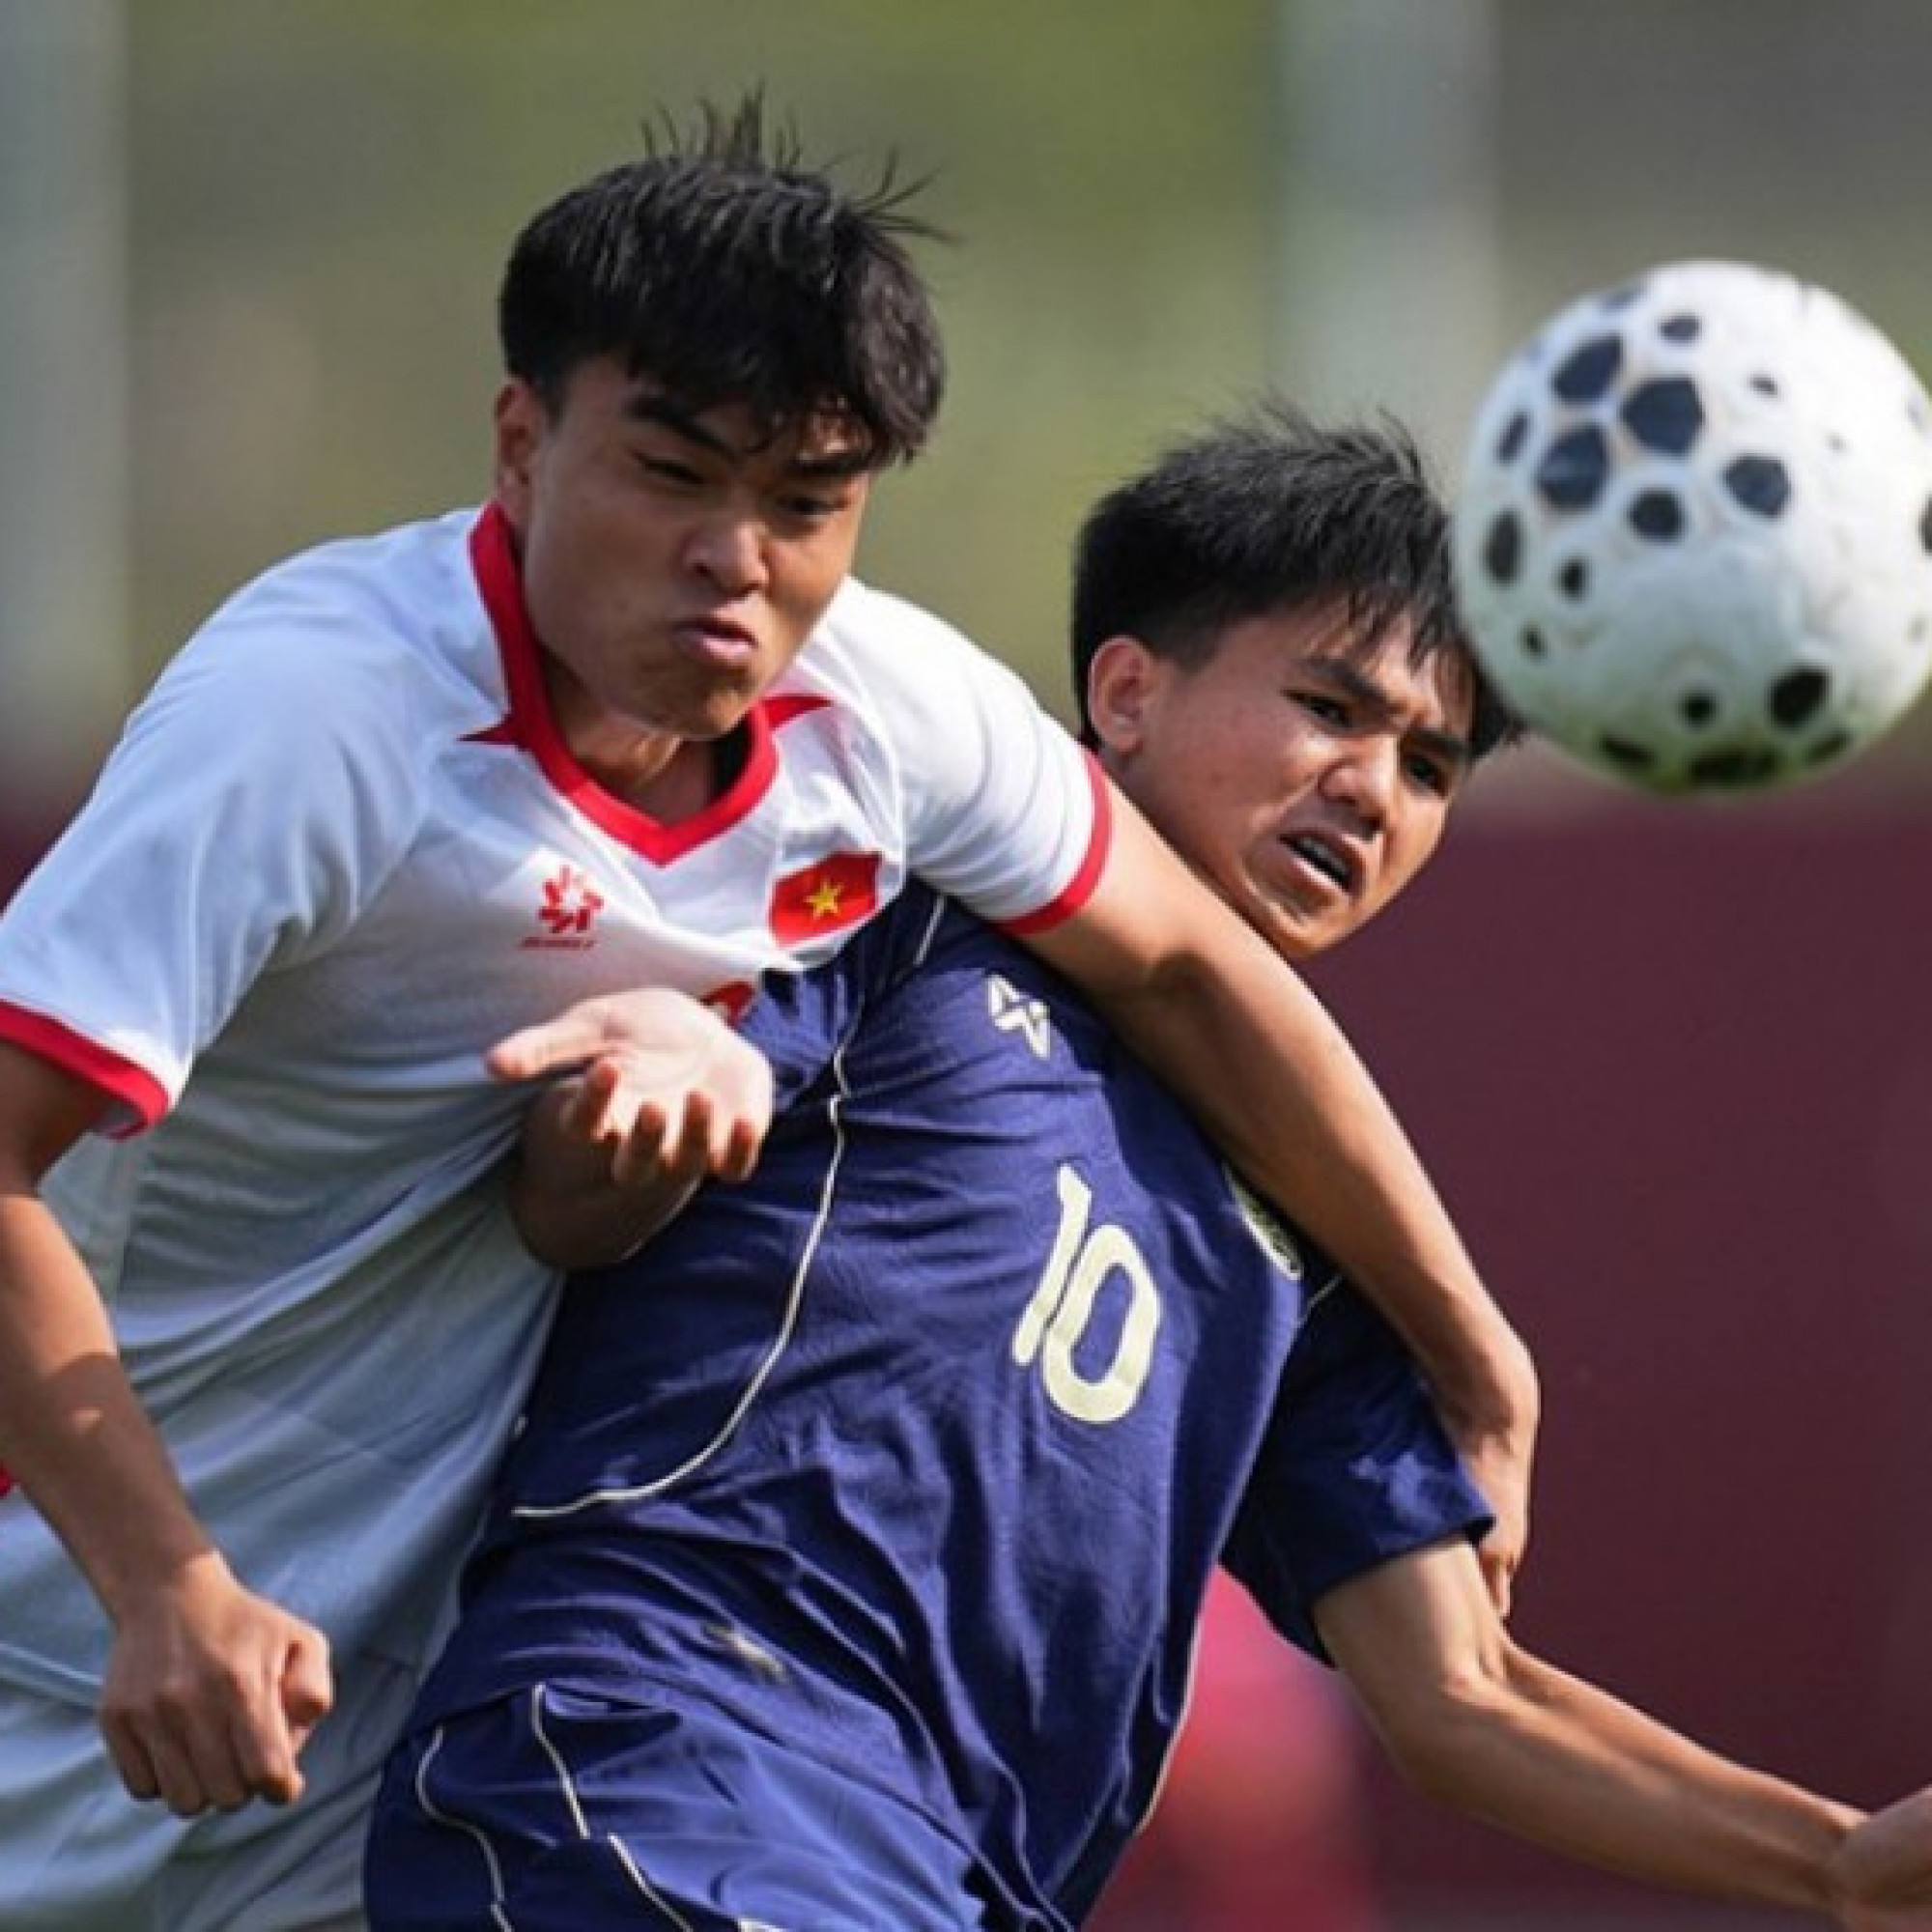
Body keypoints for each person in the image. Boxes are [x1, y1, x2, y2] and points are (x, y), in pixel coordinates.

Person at [0, 99, 1534, 1930]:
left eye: (806, 501)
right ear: (521, 441)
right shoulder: (310, 720)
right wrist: (164, 1578)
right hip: (86, 1639)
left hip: (409, 1720)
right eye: (673, 472)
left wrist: (1472, 1345)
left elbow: (1193, 967)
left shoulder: (886, 712)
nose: (739, 556)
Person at [362, 404, 1932, 1928]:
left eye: (1434, 765)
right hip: (677, 1752)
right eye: (1331, 708)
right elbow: (565, 1204)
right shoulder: (900, 895)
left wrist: (1838, 1868)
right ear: (1123, 692)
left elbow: (1464, 1698)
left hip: (942, 1880)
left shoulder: (1320, 1247)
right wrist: (632, 1109)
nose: (1375, 789)